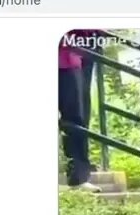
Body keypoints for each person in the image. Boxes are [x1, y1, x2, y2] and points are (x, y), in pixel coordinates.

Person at [58, 30, 101, 192]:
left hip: (77, 49)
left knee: (77, 114)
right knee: (75, 114)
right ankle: (78, 174)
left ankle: (79, 176)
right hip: (67, 51)